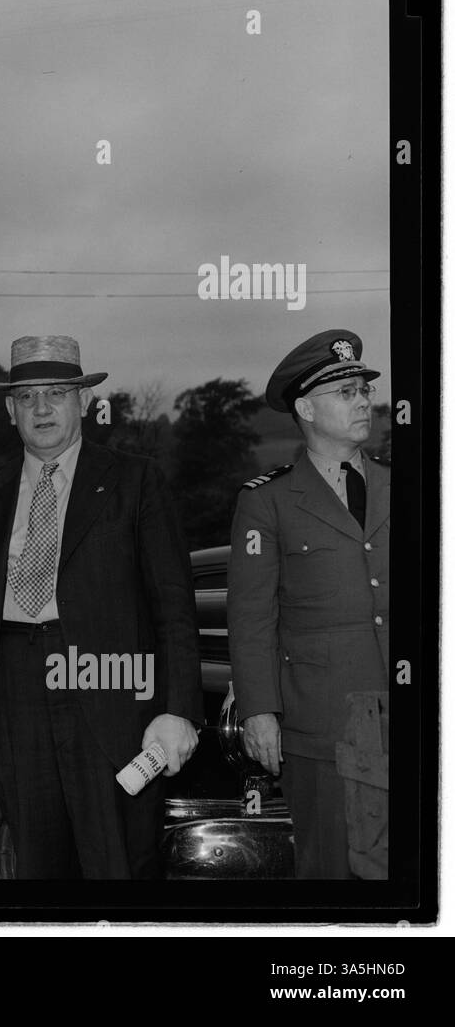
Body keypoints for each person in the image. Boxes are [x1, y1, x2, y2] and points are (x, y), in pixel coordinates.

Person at [0, 334, 201, 878]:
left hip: (112, 690)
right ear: (10, 411)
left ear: (83, 402)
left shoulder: (136, 480)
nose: (41, 409)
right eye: (27, 397)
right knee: (36, 865)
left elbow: (173, 605)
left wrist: (178, 710)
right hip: (12, 694)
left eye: (56, 393)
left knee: (120, 864)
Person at [228, 329, 389, 878]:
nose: (364, 400)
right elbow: (251, 617)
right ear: (306, 409)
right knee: (332, 871)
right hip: (324, 723)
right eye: (345, 392)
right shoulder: (267, 501)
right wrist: (259, 711)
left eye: (363, 389)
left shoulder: (410, 486)